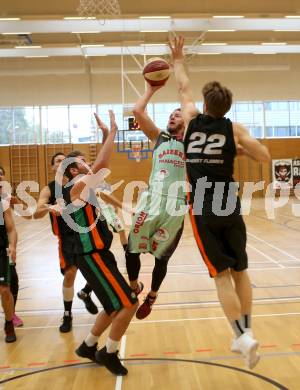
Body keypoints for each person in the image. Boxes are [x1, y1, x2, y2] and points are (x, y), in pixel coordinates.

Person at [170, 36, 271, 369]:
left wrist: (178, 58)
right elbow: (265, 156)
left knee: (220, 275)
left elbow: (183, 85)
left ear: (204, 102)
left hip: (202, 201)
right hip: (228, 197)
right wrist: (239, 148)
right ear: (227, 107)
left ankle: (240, 335)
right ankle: (247, 330)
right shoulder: (234, 128)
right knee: (241, 269)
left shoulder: (191, 118)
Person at [56, 110, 138, 376]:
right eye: (82, 162)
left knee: (113, 305)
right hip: (92, 255)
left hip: (98, 254)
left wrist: (105, 135)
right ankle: (109, 351)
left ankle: (89, 346)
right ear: (73, 170)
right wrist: (113, 131)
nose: (88, 164)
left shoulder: (83, 184)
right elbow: (101, 166)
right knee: (128, 304)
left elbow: (99, 164)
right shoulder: (77, 187)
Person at [125, 82, 186, 319]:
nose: (172, 116)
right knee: (131, 249)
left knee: (161, 257)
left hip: (176, 204)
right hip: (151, 200)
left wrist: (186, 103)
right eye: (170, 114)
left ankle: (151, 296)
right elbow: (138, 112)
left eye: (177, 114)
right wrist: (151, 88)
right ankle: (133, 288)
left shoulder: (192, 142)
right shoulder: (159, 137)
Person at [33, 153, 98, 333]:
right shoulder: (50, 189)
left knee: (98, 269)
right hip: (67, 237)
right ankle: (67, 314)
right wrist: (48, 207)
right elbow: (36, 213)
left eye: (65, 160)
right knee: (70, 274)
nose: (62, 163)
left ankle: (86, 293)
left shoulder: (79, 183)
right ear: (53, 167)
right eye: (58, 161)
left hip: (87, 234)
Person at [0, 166, 23, 328]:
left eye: (1, 174)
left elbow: (25, 210)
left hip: (3, 248)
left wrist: (12, 246)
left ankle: (11, 315)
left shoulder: (4, 198)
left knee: (9, 282)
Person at [0, 184, 18, 342]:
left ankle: (9, 323)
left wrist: (12, 246)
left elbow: (11, 229)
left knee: (5, 290)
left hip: (1, 250)